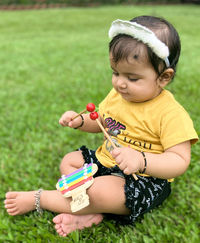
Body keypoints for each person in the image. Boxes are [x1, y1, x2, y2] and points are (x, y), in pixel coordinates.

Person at [4, 16, 198, 237]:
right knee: (69, 161)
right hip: (105, 162)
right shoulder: (117, 96)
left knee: (96, 191)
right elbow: (101, 123)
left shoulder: (171, 114)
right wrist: (80, 122)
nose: (120, 83)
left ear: (164, 77)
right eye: (115, 73)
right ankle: (91, 212)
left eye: (132, 78)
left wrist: (141, 160)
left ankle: (41, 198)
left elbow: (179, 161)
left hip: (142, 179)